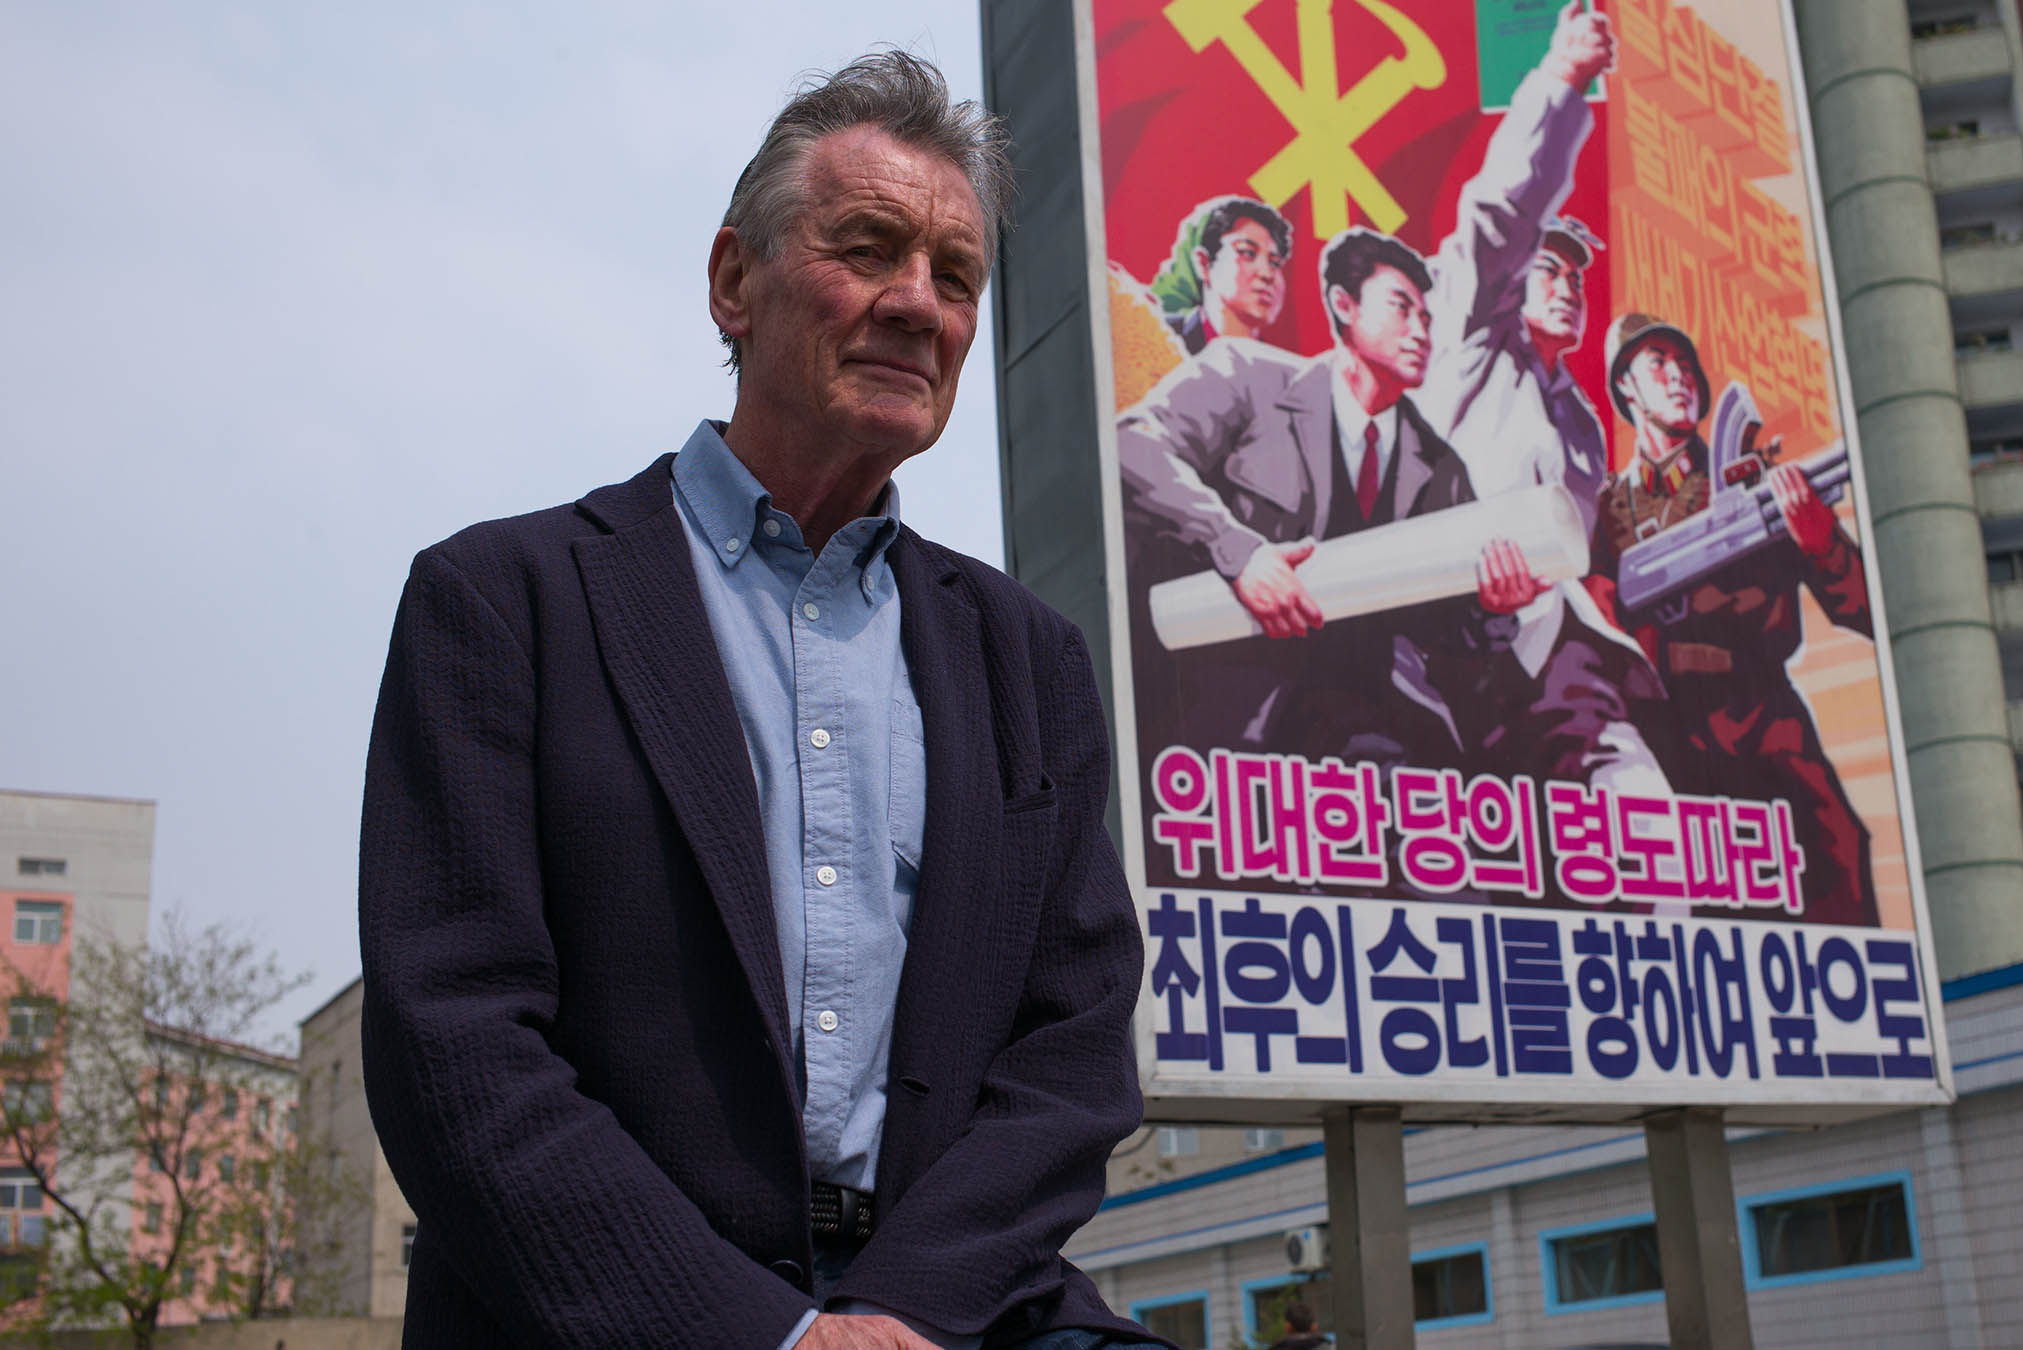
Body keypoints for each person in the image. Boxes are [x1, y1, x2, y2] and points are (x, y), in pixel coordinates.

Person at [359, 53, 1163, 1349]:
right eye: (869, 249)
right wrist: (768, 1335)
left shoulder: (1031, 662)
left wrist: (901, 1311)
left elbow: (1071, 1056)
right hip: (614, 1314)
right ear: (735, 280)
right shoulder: (503, 602)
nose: (920, 303)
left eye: (957, 275)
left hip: (952, 1307)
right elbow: (452, 1039)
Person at [1115, 227, 1544, 768]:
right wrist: (1238, 552)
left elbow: (1448, 631)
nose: (1420, 332)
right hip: (1224, 718)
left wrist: (1494, 609)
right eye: (1401, 308)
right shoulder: (1246, 378)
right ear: (1344, 305)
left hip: (1373, 729)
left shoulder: (1440, 468)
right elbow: (1132, 445)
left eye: (1427, 318)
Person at [1412, 0, 1667, 794]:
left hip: (1554, 659)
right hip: (1435, 640)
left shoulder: (1581, 423)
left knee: (1636, 808)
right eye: (1548, 270)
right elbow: (1502, 212)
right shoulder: (1467, 341)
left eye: (1577, 276)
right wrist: (1561, 79)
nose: (1567, 286)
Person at [1598, 312, 1880, 926]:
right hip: (1665, 733)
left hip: (1764, 721)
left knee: (1836, 862)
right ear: (1625, 386)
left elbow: (1866, 610)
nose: (1679, 376)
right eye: (1657, 363)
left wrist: (1822, 544)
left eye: (1685, 364)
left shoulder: (1756, 483)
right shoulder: (1608, 513)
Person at [1151, 195, 1293, 353]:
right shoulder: (1157, 337)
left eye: (1275, 263)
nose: (1267, 274)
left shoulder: (1280, 365)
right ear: (1204, 264)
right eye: (1248, 253)